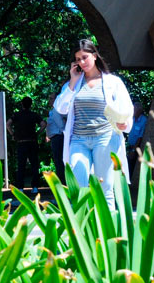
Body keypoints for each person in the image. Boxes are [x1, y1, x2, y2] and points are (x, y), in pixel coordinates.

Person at [54, 38, 133, 210]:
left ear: (95, 56)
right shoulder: (74, 84)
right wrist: (73, 82)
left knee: (105, 188)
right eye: (78, 59)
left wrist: (124, 124)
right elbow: (60, 108)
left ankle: (109, 233)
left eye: (85, 57)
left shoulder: (112, 82)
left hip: (105, 139)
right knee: (79, 188)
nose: (82, 62)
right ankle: (81, 232)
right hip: (78, 140)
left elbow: (127, 109)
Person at [8, 97, 45, 192]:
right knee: (34, 165)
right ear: (31, 104)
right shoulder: (34, 115)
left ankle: (20, 187)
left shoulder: (17, 115)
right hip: (32, 142)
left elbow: (8, 124)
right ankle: (35, 187)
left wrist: (13, 134)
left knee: (21, 165)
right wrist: (38, 133)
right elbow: (43, 124)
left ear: (22, 104)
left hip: (21, 142)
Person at [45, 96, 67, 182]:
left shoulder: (56, 111)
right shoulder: (52, 112)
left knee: (59, 161)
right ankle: (62, 181)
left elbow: (61, 126)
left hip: (59, 138)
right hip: (56, 138)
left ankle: (62, 183)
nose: (49, 100)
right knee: (58, 161)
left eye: (51, 98)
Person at [126, 101, 148, 182]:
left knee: (131, 166)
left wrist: (133, 150)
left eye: (134, 109)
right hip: (130, 146)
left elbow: (140, 137)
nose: (133, 111)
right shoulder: (132, 118)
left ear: (139, 110)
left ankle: (129, 183)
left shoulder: (144, 120)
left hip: (136, 148)